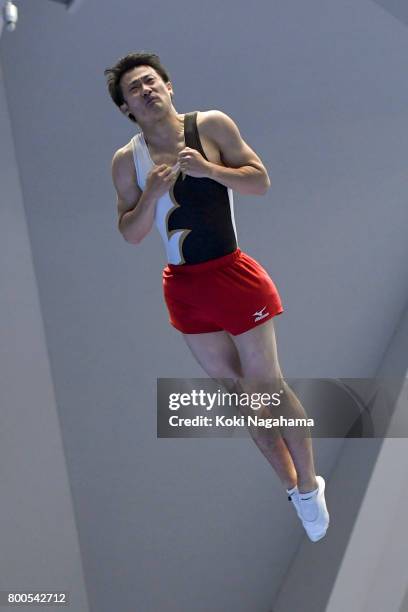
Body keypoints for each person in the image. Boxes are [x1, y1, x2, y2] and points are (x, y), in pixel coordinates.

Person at [105, 51, 329, 542]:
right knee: (239, 395)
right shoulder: (128, 162)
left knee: (265, 385)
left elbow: (260, 181)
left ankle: (311, 484)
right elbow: (132, 233)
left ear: (168, 86)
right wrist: (148, 197)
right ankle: (293, 489)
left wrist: (210, 170)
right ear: (126, 109)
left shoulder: (210, 126)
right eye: (134, 91)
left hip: (232, 273)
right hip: (184, 287)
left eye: (150, 82)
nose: (145, 91)